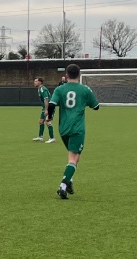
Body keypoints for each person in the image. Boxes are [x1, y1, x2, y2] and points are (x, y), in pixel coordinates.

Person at [47, 64, 99, 200]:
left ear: (66, 75)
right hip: (77, 129)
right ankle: (63, 185)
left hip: (63, 128)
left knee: (75, 156)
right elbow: (96, 106)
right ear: (79, 75)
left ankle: (69, 180)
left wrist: (49, 117)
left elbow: (51, 105)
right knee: (73, 158)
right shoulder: (85, 89)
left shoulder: (60, 89)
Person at [31, 78, 55, 143]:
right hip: (45, 108)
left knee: (47, 121)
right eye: (34, 81)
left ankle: (52, 138)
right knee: (41, 121)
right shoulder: (39, 89)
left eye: (36, 81)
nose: (34, 82)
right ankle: (40, 137)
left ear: (40, 82)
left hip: (49, 107)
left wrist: (46, 110)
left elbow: (46, 99)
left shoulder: (43, 89)